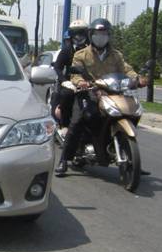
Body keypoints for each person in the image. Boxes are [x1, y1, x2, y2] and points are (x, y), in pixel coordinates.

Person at [55, 18, 147, 177]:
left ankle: (131, 157)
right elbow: (75, 74)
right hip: (88, 93)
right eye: (98, 34)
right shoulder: (81, 55)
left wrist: (137, 79)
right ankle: (64, 159)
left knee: (132, 112)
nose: (101, 37)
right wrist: (81, 82)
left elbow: (127, 70)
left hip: (112, 92)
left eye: (104, 34)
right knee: (78, 121)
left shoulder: (116, 55)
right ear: (91, 35)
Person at [50, 19, 88, 135]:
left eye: (81, 32)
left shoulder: (92, 50)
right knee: (67, 94)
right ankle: (65, 124)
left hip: (89, 83)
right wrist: (64, 81)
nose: (79, 36)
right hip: (71, 83)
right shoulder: (66, 51)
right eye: (76, 33)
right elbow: (57, 67)